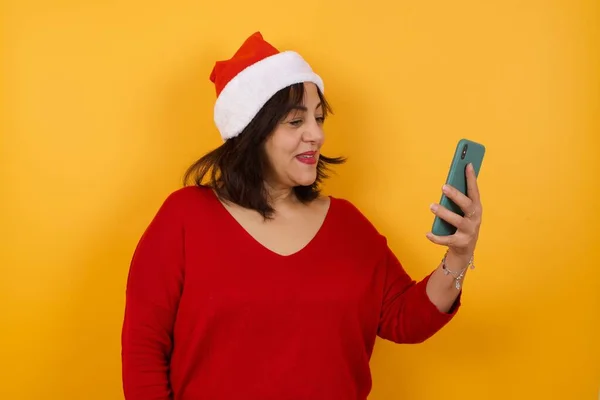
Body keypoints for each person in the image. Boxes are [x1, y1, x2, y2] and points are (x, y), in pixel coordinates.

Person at [121, 31, 483, 400]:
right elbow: (143, 356)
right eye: (296, 122)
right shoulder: (184, 218)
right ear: (250, 132)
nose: (316, 134)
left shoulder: (348, 225)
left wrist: (459, 254)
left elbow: (405, 319)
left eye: (319, 118)